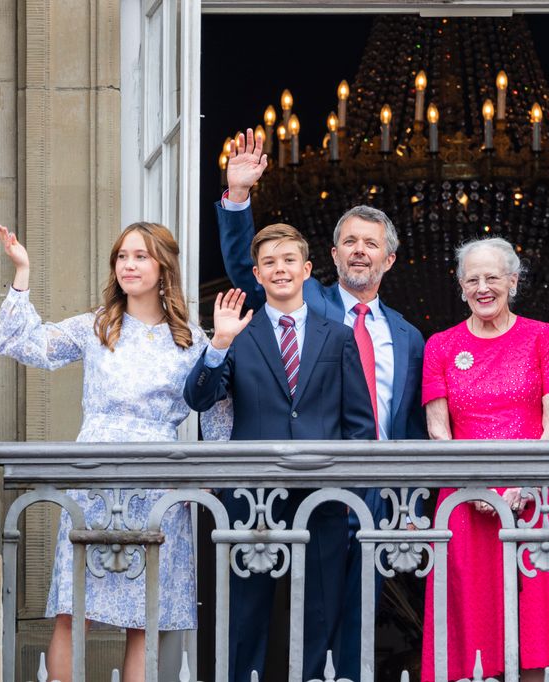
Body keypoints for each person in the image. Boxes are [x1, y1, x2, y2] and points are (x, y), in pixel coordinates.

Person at [216, 129, 427, 678]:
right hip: (306, 476)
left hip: (376, 488)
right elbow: (248, 269)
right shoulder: (308, 301)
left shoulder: (408, 336)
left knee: (350, 616)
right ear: (330, 256)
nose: (360, 250)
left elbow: (409, 426)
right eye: (350, 242)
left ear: (390, 257)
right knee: (264, 606)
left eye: (371, 243)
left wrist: (409, 500)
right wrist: (238, 198)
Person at [0, 222, 204, 682]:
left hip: (158, 484)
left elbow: (221, 407)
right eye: (122, 256)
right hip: (95, 478)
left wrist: (205, 477)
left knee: (143, 618)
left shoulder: (190, 340)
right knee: (74, 609)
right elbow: (20, 343)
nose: (128, 264)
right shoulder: (98, 326)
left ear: (163, 267)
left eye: (141, 256)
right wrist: (23, 271)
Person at [183, 223, 376, 682]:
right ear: (258, 273)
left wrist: (350, 496)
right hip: (253, 500)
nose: (280, 269)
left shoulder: (338, 336)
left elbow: (360, 426)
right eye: (269, 263)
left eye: (289, 260)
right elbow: (198, 398)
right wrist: (219, 342)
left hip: (322, 500)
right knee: (245, 616)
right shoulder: (240, 335)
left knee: (318, 616)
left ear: (307, 269)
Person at [420, 237, 549, 682]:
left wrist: (522, 487)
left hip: (535, 499)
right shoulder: (441, 345)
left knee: (532, 633)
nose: (483, 287)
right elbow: (438, 428)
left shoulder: (541, 335)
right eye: (473, 279)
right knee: (474, 628)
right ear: (461, 286)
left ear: (513, 280)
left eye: (493, 277)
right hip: (466, 504)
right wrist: (479, 490)